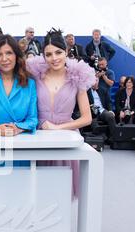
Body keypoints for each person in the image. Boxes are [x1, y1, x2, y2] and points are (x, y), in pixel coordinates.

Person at [26, 28, 95, 197]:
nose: (54, 58)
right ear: (43, 56)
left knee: (60, 196)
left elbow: (87, 118)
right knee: (35, 194)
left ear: (66, 51)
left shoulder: (77, 76)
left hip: (65, 141)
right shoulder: (35, 75)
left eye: (58, 52)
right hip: (38, 139)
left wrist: (59, 128)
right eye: (48, 54)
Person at [0, 34, 38, 137]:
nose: (4, 59)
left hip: (22, 142)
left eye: (9, 53)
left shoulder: (29, 83)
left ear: (16, 55)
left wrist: (18, 128)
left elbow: (33, 119)